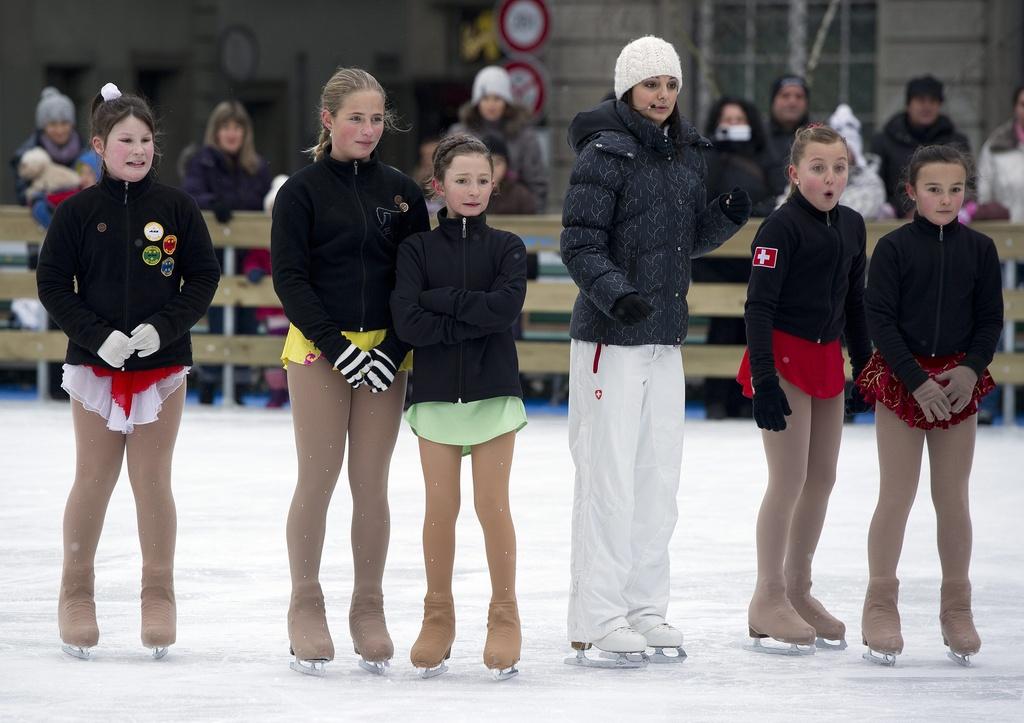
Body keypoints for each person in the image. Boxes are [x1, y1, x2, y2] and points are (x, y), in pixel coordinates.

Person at [561, 35, 750, 666]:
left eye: (670, 84)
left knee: (657, 478)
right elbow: (580, 243)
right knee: (608, 474)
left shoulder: (687, 152)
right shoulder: (603, 151)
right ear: (626, 90)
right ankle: (599, 614)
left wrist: (723, 219)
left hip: (664, 337)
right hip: (609, 340)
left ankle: (644, 606)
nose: (662, 96)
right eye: (650, 85)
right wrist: (617, 296)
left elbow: (681, 241)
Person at [35, 83, 220, 661]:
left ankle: (157, 593)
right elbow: (51, 285)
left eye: (145, 140)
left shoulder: (176, 208)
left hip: (160, 367)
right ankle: (76, 592)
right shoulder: (77, 213)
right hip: (94, 367)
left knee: (151, 479)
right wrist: (96, 337)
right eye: (125, 140)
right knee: (93, 477)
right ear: (99, 145)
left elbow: (203, 277)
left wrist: (160, 329)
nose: (137, 150)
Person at [271, 67, 430, 677]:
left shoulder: (402, 194)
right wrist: (339, 348)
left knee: (372, 482)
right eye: (356, 117)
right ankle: (305, 604)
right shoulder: (302, 192)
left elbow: (414, 277)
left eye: (376, 118)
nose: (367, 129)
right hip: (319, 349)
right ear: (328, 119)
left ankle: (369, 606)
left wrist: (390, 348)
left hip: (385, 354)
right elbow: (291, 279)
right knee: (318, 478)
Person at [856, 145, 1003, 667]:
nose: (945, 199)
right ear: (911, 191)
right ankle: (880, 604)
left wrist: (968, 370)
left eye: (956, 189)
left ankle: (956, 608)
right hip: (904, 379)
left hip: (958, 381)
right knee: (896, 495)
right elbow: (880, 319)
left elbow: (990, 319)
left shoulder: (981, 250)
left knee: (953, 498)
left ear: (967, 192)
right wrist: (916, 380)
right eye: (934, 189)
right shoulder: (893, 249)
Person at [391, 134, 528, 680]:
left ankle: (505, 614)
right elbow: (407, 321)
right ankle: (438, 615)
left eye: (481, 180)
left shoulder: (509, 247)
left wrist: (439, 304)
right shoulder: (416, 250)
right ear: (439, 186)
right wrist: (464, 315)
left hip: (494, 393)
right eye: (461, 180)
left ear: (495, 184)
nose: (473, 190)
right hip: (436, 399)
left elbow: (505, 310)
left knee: (493, 508)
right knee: (439, 510)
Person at [737, 125, 872, 653]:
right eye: (818, 167)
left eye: (838, 167)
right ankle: (767, 596)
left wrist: (865, 368)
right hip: (784, 359)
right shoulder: (779, 229)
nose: (830, 177)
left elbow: (855, 304)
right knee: (788, 479)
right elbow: (758, 308)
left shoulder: (854, 226)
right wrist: (766, 381)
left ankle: (797, 589)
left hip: (825, 360)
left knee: (822, 478)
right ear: (795, 174)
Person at [183, 101, 273, 404]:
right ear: (216, 132)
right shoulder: (202, 162)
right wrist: (213, 202)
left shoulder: (257, 167)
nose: (232, 134)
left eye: (237, 128)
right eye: (226, 128)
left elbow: (265, 201)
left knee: (247, 314)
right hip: (213, 251)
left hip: (249, 254)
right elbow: (191, 195)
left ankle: (242, 383)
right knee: (217, 313)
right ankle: (210, 380)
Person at [696, 96, 775, 419]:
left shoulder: (764, 157)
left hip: (752, 257)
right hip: (714, 258)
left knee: (750, 326)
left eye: (738, 119)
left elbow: (775, 195)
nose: (732, 126)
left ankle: (746, 397)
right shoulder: (705, 157)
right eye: (726, 120)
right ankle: (715, 396)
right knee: (722, 324)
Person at [448, 65, 548, 210]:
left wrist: (532, 220)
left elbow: (536, 182)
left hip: (514, 212)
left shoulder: (525, 136)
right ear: (477, 102)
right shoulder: (459, 135)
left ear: (506, 102)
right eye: (485, 98)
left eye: (497, 98)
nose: (491, 104)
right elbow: (447, 177)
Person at [872, 75, 970, 216]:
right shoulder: (883, 141)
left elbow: (968, 185)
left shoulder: (956, 142)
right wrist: (902, 210)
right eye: (920, 100)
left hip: (946, 218)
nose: (927, 106)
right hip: (896, 221)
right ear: (908, 104)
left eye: (933, 101)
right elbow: (877, 187)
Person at [974, 84, 1024, 222]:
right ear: (1015, 108)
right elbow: (983, 197)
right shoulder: (995, 146)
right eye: (1023, 104)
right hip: (1006, 234)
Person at [763, 76, 810, 201]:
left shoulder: (817, 136)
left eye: (799, 97)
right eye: (785, 96)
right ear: (773, 100)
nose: (792, 102)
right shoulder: (758, 135)